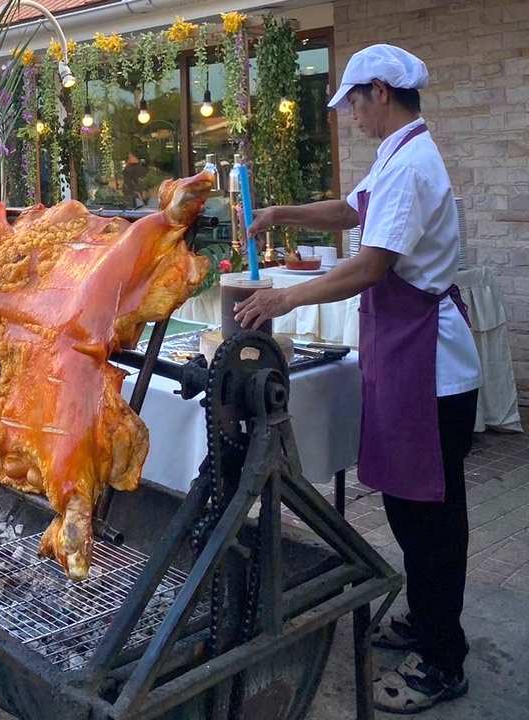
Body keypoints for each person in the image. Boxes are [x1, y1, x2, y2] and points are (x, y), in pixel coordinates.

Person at [233, 44, 481, 714]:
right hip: (406, 355)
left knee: (431, 518)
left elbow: (372, 265)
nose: (352, 117)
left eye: (354, 104)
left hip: (430, 366)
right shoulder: (397, 154)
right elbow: (350, 211)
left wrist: (286, 297)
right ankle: (426, 621)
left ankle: (444, 660)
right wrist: (282, 214)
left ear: (381, 93)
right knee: (408, 506)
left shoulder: (412, 164)